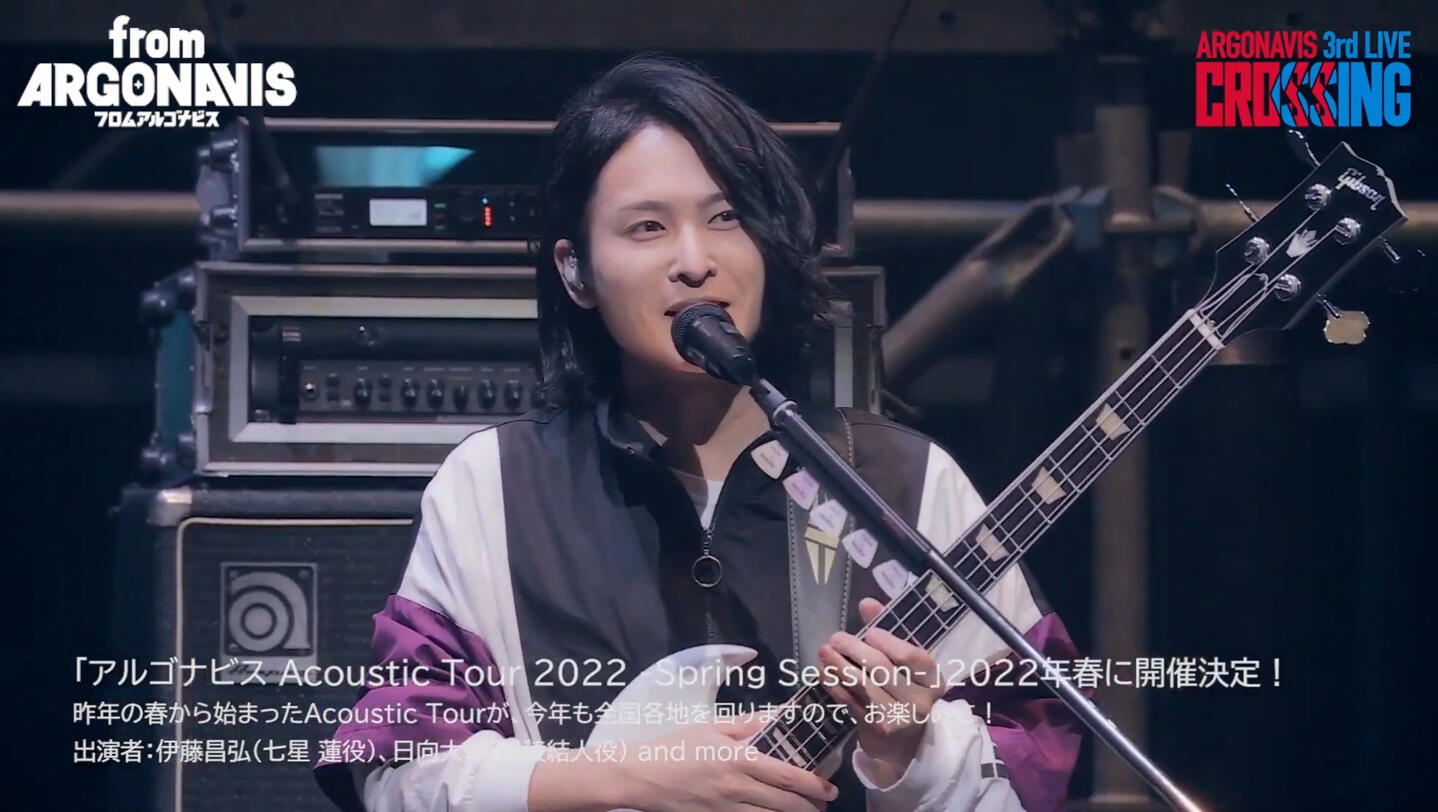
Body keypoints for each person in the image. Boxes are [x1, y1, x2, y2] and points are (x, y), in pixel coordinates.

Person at [314, 53, 1082, 812]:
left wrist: (908, 753)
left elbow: (1033, 767)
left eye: (726, 218)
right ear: (576, 271)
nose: (695, 261)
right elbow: (399, 774)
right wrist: (624, 781)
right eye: (648, 227)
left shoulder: (906, 481)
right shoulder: (494, 484)